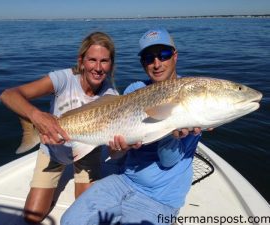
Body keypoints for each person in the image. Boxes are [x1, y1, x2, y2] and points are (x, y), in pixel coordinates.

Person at [61, 28, 205, 225]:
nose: (156, 64)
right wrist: (120, 148)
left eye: (163, 55)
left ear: (175, 56)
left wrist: (172, 136)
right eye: (148, 57)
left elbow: (168, 161)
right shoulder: (135, 89)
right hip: (124, 181)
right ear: (142, 63)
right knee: (69, 221)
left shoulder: (191, 95)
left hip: (159, 198)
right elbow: (117, 154)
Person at [0, 31, 119, 224]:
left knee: (85, 212)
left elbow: (115, 148)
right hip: (52, 150)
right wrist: (37, 117)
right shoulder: (63, 79)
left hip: (87, 153)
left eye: (104, 61)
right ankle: (49, 189)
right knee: (32, 216)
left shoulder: (112, 96)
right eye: (92, 60)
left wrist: (118, 147)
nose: (98, 67)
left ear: (111, 64)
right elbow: (9, 95)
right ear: (81, 61)